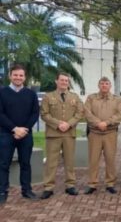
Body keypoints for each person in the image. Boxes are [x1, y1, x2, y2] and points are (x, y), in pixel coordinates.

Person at [40, 72, 84, 199]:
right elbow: (44, 114)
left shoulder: (74, 97)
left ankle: (70, 185)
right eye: (62, 80)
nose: (64, 82)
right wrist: (58, 124)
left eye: (66, 81)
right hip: (54, 134)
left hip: (69, 133)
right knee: (51, 162)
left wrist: (69, 124)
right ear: (56, 81)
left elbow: (80, 113)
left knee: (69, 161)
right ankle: (48, 187)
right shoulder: (48, 97)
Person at [0, 64, 39, 204]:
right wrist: (14, 129)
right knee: (3, 164)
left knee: (26, 163)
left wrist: (24, 129)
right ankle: (2, 191)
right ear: (10, 75)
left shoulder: (31, 94)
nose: (18, 77)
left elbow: (35, 114)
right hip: (5, 134)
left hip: (26, 135)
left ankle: (26, 190)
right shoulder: (2, 92)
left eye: (21, 75)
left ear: (25, 77)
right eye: (15, 75)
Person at [84, 77, 121, 194]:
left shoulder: (116, 99)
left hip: (110, 133)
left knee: (110, 159)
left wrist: (106, 122)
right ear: (98, 85)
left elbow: (120, 114)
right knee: (93, 160)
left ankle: (110, 183)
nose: (104, 85)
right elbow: (87, 112)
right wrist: (98, 123)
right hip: (95, 133)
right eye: (102, 83)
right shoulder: (91, 98)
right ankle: (92, 184)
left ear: (110, 86)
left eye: (107, 83)